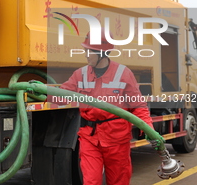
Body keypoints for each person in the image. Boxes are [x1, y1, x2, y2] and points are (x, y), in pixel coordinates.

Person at [59, 30, 154, 185]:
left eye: (89, 51)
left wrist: (148, 128)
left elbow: (138, 106)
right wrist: (39, 91)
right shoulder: (80, 74)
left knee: (119, 181)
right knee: (91, 181)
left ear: (101, 53)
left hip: (117, 139)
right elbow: (60, 94)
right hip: (90, 138)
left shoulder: (123, 73)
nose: (86, 54)